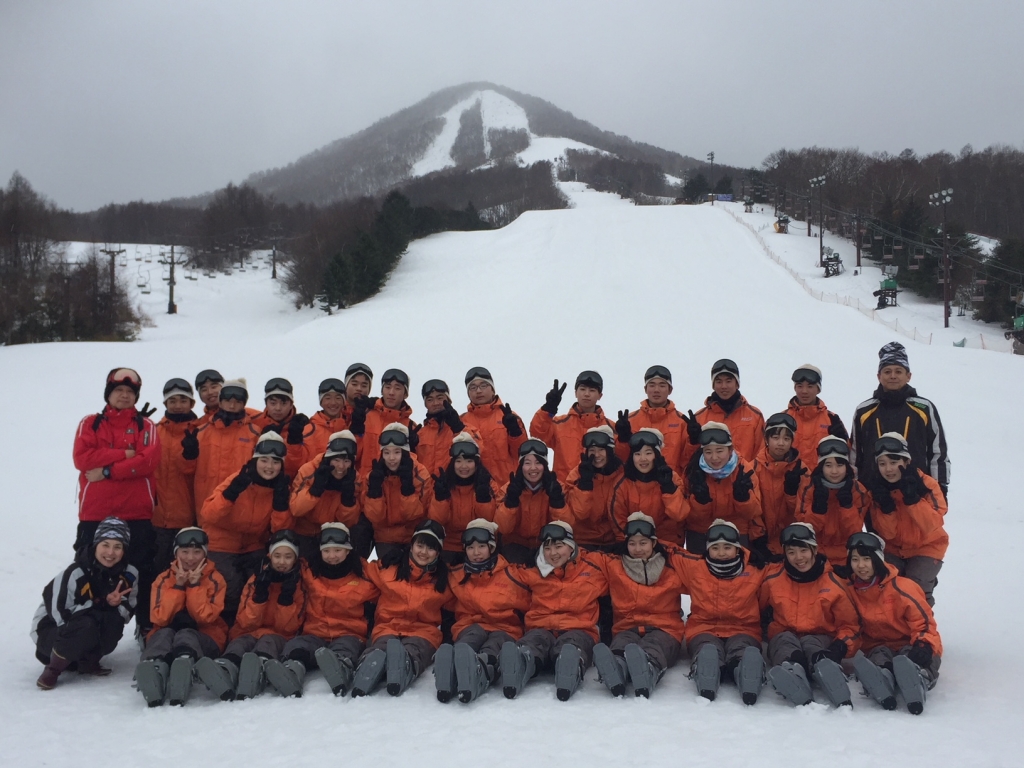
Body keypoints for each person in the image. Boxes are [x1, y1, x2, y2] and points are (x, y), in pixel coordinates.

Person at [72, 367, 159, 631]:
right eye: (118, 390)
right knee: (88, 571)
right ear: (108, 394)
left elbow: (148, 461)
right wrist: (126, 453)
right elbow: (82, 459)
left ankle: (145, 626)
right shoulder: (90, 423)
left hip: (136, 513)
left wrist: (108, 471)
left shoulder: (146, 425)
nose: (124, 395)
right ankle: (84, 628)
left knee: (141, 571)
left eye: (129, 391)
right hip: (95, 513)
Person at [261, 523, 380, 697]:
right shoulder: (309, 570)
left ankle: (341, 669)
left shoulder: (364, 573)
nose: (332, 556)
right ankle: (292, 671)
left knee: (347, 649)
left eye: (338, 550)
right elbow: (285, 561)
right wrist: (266, 566)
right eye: (326, 551)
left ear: (348, 550)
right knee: (298, 646)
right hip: (314, 631)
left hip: (349, 632)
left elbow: (387, 580)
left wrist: (398, 562)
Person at [498, 521, 608, 701]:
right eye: (547, 548)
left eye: (559, 547)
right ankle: (521, 662)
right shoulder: (533, 572)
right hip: (541, 627)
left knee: (572, 645)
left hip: (579, 629)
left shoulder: (594, 566)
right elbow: (504, 577)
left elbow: (622, 568)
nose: (553, 553)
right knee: (533, 642)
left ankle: (570, 666)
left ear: (571, 547)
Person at [194, 530, 306, 701]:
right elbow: (245, 621)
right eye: (277, 556)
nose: (282, 562)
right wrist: (260, 596)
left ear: (295, 559)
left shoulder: (298, 584)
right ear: (270, 556)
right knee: (240, 643)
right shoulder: (256, 579)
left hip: (278, 634)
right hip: (248, 631)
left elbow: (288, 628)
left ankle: (259, 667)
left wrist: (286, 600)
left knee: (268, 642)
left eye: (288, 557)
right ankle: (226, 669)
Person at [759, 523, 860, 708]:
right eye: (791, 552)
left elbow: (851, 626)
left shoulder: (834, 583)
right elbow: (751, 603)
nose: (798, 557)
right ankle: (791, 673)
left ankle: (826, 671)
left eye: (803, 550)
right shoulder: (773, 579)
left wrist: (840, 646)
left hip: (821, 637)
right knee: (784, 642)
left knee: (813, 646)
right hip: (783, 635)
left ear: (814, 549)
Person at [33, 518, 139, 690]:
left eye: (117, 547)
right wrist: (101, 603)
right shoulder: (75, 572)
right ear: (96, 544)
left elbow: (127, 610)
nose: (110, 552)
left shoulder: (130, 573)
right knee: (86, 624)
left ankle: (87, 662)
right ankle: (53, 669)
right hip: (51, 634)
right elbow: (60, 614)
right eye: (105, 545)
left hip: (86, 629)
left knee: (113, 621)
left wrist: (115, 605)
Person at [198, 431, 292, 625]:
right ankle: (224, 625)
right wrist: (231, 493)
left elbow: (280, 531)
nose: (269, 467)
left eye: (275, 462)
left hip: (252, 544)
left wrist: (281, 505)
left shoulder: (281, 487)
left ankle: (248, 626)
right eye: (264, 460)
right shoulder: (238, 478)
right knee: (230, 584)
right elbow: (208, 514)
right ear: (255, 460)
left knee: (259, 580)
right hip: (221, 542)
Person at [669, 520, 767, 704]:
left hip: (743, 629)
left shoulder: (755, 568)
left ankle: (744, 670)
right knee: (706, 648)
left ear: (738, 548)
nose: (721, 553)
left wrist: (764, 557)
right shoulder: (695, 567)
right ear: (707, 549)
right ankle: (707, 669)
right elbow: (670, 551)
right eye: (715, 548)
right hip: (703, 628)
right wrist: (633, 543)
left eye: (727, 547)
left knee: (742, 648)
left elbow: (782, 574)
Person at [351, 520, 452, 697]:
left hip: (423, 632)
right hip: (388, 626)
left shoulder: (445, 579)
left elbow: (466, 593)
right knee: (381, 647)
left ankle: (405, 667)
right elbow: (362, 569)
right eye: (420, 545)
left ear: (438, 552)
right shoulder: (390, 568)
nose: (424, 552)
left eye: (430, 548)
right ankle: (368, 667)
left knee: (415, 650)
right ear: (411, 546)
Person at [845, 532, 942, 714]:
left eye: (866, 559)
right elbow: (850, 626)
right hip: (878, 647)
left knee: (910, 659)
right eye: (855, 560)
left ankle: (919, 678)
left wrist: (924, 644)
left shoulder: (903, 587)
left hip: (911, 643)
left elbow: (924, 623)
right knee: (879, 656)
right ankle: (882, 678)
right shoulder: (850, 591)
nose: (861, 565)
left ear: (878, 559)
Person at [590, 514, 685, 699]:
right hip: (627, 626)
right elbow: (582, 558)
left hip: (665, 629)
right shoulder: (613, 564)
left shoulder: (673, 563)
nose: (638, 549)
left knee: (654, 646)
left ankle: (649, 669)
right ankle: (616, 669)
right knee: (621, 646)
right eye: (632, 543)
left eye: (643, 543)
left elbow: (700, 569)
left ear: (654, 542)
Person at [435, 519, 530, 703]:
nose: (476, 553)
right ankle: (453, 666)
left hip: (504, 628)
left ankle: (482, 668)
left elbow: (536, 592)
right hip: (470, 626)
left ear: (492, 547)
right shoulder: (456, 574)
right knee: (468, 641)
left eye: (481, 547)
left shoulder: (513, 574)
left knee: (494, 646)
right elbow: (437, 595)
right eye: (470, 548)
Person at [134, 527, 227, 707]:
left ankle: (184, 665)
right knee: (162, 634)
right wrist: (177, 586)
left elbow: (205, 617)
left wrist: (194, 586)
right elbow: (160, 618)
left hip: (205, 636)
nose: (190, 558)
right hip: (169, 633)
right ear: (176, 553)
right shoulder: (163, 579)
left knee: (186, 635)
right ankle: (154, 668)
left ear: (205, 553)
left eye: (197, 552)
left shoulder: (215, 579)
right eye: (184, 552)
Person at [850, 342, 950, 498]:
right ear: (879, 376)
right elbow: (855, 454)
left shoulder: (924, 408)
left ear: (908, 376)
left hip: (916, 492)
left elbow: (938, 451)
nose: (893, 376)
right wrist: (855, 489)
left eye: (898, 371)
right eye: (887, 371)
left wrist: (940, 487)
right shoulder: (864, 411)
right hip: (874, 494)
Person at [865, 433, 948, 606]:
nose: (888, 469)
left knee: (914, 589)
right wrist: (887, 508)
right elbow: (888, 534)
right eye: (882, 463)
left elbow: (933, 524)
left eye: (893, 462)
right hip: (893, 549)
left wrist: (913, 500)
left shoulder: (927, 484)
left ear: (906, 461)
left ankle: (922, 621)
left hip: (927, 547)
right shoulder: (876, 491)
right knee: (887, 586)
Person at [683, 422, 765, 555]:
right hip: (700, 533)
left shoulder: (744, 470)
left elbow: (754, 513)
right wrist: (700, 503)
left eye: (720, 451)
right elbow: (686, 516)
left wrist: (743, 499)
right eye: (708, 452)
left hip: (737, 532)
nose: (714, 457)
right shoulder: (692, 471)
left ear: (730, 450)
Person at [183, 378, 261, 512]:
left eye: (238, 402)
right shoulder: (200, 432)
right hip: (207, 507)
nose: (232, 406)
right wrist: (188, 456)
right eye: (228, 401)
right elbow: (187, 472)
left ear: (244, 404)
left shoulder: (255, 433)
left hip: (241, 508)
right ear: (220, 401)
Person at [792, 436, 869, 571]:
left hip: (847, 555)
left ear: (847, 466)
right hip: (815, 554)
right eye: (828, 465)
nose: (834, 471)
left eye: (840, 465)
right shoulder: (808, 487)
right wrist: (818, 510)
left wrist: (847, 507)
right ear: (821, 466)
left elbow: (855, 532)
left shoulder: (858, 490)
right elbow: (804, 531)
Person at [362, 423, 432, 561]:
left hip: (412, 537)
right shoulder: (373, 477)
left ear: (405, 452)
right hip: (385, 538)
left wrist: (407, 488)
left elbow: (413, 514)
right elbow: (375, 517)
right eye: (387, 452)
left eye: (397, 452)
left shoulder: (420, 475)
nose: (391, 458)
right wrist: (375, 491)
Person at [287, 430, 361, 561]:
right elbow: (296, 509)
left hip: (335, 534)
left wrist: (348, 500)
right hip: (304, 532)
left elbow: (349, 522)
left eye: (346, 461)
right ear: (328, 458)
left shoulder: (354, 479)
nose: (341, 466)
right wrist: (315, 490)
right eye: (336, 460)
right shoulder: (308, 471)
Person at [529, 371, 618, 479]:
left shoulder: (612, 429)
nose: (586, 394)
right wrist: (548, 409)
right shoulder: (559, 424)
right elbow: (537, 435)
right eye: (582, 389)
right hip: (563, 487)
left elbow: (623, 457)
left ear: (600, 395)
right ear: (575, 393)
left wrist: (624, 437)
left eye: (592, 390)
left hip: (598, 488)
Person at [608, 429, 688, 546]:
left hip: (667, 543)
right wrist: (634, 544)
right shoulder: (622, 483)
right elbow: (618, 520)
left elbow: (679, 515)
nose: (643, 459)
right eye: (637, 454)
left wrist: (668, 487)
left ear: (657, 455)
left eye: (648, 453)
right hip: (635, 545)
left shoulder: (672, 478)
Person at [151, 379, 199, 572]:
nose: (178, 405)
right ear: (165, 403)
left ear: (192, 403)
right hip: (156, 518)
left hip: (188, 518)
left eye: (183, 400)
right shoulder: (153, 431)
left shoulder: (200, 431)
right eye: (172, 401)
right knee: (157, 571)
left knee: (188, 571)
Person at [428, 433, 498, 563]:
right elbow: (437, 521)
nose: (463, 466)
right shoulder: (443, 484)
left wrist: (483, 498)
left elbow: (490, 521)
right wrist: (441, 499)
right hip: (448, 545)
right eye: (458, 461)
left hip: (478, 544)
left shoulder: (488, 484)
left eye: (469, 461)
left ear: (476, 463)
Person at [681, 359, 766, 467]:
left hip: (744, 476)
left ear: (737, 384)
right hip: (709, 477)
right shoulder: (699, 418)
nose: (724, 386)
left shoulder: (754, 416)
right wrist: (693, 442)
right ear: (713, 385)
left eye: (728, 381)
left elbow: (761, 455)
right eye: (719, 381)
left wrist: (748, 474)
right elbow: (686, 462)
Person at [494, 439, 566, 564]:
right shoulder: (509, 489)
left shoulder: (557, 487)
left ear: (545, 465)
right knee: (514, 569)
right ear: (521, 466)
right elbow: (502, 528)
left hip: (548, 543)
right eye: (527, 463)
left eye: (538, 462)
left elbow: (567, 526)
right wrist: (511, 502)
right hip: (515, 544)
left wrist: (557, 502)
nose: (533, 468)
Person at [614, 365, 689, 474]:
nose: (656, 390)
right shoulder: (629, 421)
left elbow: (687, 460)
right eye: (652, 385)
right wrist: (623, 440)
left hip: (670, 481)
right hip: (637, 482)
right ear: (645, 389)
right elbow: (620, 459)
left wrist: (694, 441)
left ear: (670, 390)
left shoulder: (682, 422)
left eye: (662, 385)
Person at [460, 366, 528, 483]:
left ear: (492, 389)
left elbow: (523, 454)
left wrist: (515, 432)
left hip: (507, 486)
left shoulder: (509, 416)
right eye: (473, 387)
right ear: (468, 393)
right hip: (475, 488)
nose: (478, 391)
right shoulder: (461, 421)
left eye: (483, 385)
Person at [560, 425, 623, 551]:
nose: (597, 455)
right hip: (582, 541)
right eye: (592, 450)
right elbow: (580, 514)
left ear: (610, 451)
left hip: (613, 541)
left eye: (601, 450)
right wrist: (585, 484)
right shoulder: (577, 474)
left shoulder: (622, 473)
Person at [753, 413, 805, 560]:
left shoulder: (802, 470)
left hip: (791, 542)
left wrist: (791, 494)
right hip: (759, 542)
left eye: (786, 439)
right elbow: (750, 509)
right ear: (766, 439)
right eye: (775, 438)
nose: (781, 443)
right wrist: (757, 537)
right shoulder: (752, 469)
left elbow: (804, 513)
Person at [351, 368, 420, 474]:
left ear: (405, 394)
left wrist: (412, 450)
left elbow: (418, 467)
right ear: (382, 390)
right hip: (363, 482)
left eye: (397, 388)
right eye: (387, 387)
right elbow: (352, 455)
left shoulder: (411, 428)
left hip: (394, 483)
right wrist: (356, 431)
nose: (391, 392)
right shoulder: (365, 416)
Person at [785, 364, 849, 469]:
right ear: (795, 388)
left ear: (818, 389)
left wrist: (843, 440)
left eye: (810, 386)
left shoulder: (831, 419)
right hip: (790, 478)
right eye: (800, 386)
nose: (804, 391)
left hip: (822, 478)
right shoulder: (784, 418)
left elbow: (847, 455)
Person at [251, 377, 310, 478]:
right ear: (266, 403)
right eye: (273, 403)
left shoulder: (303, 427)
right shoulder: (252, 421)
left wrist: (294, 441)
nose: (278, 408)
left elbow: (301, 468)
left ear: (291, 404)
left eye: (283, 403)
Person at [415, 379, 472, 475]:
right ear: (425, 404)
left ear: (448, 400)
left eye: (440, 398)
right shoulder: (419, 434)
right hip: (426, 484)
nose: (435, 403)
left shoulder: (464, 427)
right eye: (430, 400)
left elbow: (479, 448)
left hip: (453, 484)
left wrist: (458, 428)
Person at [299, 378, 352, 459]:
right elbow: (297, 460)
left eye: (338, 398)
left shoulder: (350, 427)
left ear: (344, 401)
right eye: (328, 398)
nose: (333, 402)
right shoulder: (309, 430)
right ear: (321, 402)